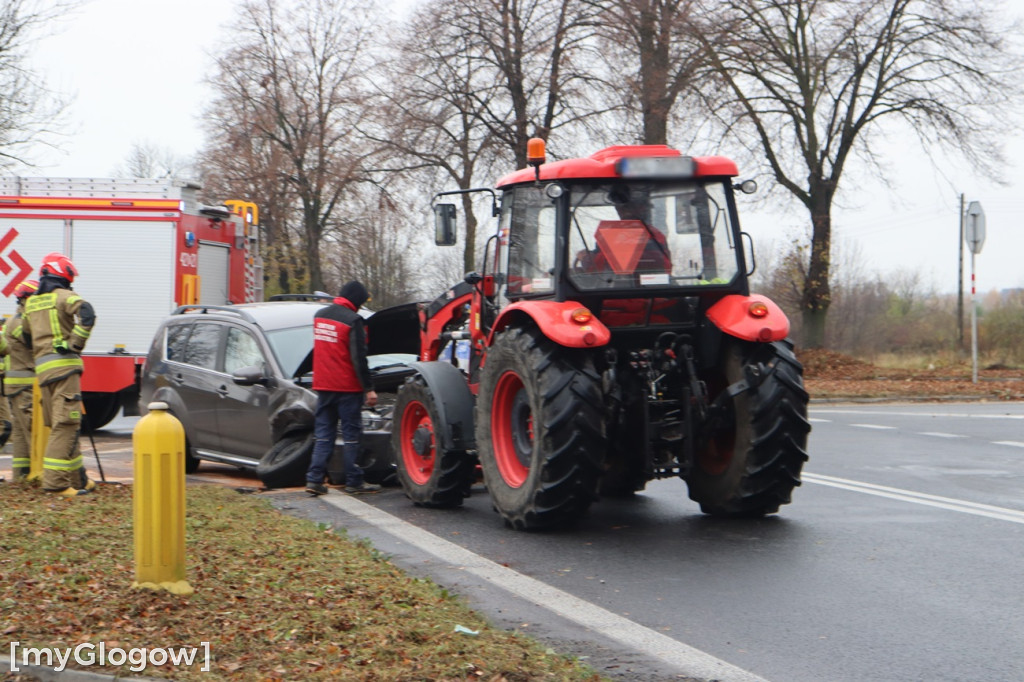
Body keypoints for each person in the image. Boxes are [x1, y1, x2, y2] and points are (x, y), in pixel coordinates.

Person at [23, 254, 96, 497]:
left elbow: (25, 335)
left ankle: (78, 480)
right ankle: (55, 484)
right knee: (66, 424)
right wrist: (74, 344)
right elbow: (87, 313)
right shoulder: (63, 296)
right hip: (64, 369)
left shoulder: (32, 303)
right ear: (64, 276)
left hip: (43, 373)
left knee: (65, 425)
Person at [305, 280, 380, 496]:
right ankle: (354, 481)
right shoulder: (353, 321)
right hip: (347, 388)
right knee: (351, 435)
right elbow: (359, 358)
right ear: (356, 301)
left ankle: (314, 479)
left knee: (324, 434)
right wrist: (369, 388)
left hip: (323, 385)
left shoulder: (320, 316)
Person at [4, 280, 38, 481]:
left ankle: (21, 475)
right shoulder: (18, 323)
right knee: (33, 430)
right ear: (26, 299)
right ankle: (33, 474)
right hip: (23, 385)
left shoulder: (17, 319)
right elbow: (35, 343)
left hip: (19, 385)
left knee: (21, 434)